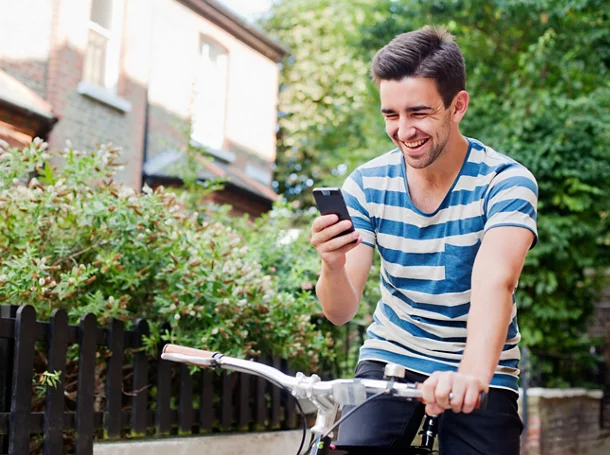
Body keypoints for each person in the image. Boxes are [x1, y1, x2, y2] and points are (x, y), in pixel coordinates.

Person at [310, 25, 538, 455]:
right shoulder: (367, 184)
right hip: (392, 352)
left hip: (480, 363)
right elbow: (340, 312)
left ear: (458, 106)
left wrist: (470, 376)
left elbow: (495, 283)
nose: (403, 131)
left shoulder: (505, 183)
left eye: (418, 113)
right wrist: (332, 264)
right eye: (390, 116)